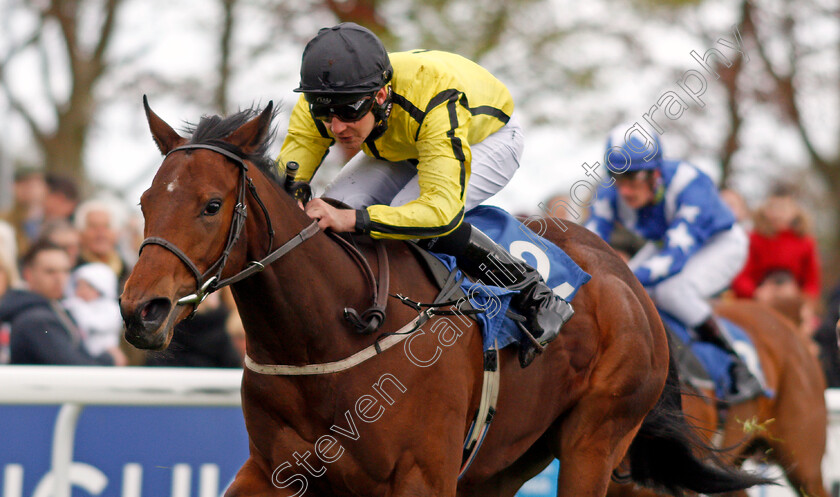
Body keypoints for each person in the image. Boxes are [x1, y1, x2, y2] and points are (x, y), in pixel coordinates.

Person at [278, 23, 573, 367]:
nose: (337, 126)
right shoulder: (326, 97)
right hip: (403, 143)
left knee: (408, 216)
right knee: (334, 205)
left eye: (348, 112)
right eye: (324, 113)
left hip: (487, 140)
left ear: (381, 95)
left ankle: (534, 294)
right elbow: (292, 166)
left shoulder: (432, 95)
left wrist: (354, 219)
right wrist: (292, 194)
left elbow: (438, 212)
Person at [585, 124, 761, 402]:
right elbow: (590, 242)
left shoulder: (690, 185)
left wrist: (622, 278)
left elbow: (673, 261)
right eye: (618, 179)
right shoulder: (611, 193)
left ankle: (739, 366)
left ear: (656, 173)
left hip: (720, 243)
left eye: (634, 180)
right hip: (666, 243)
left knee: (670, 291)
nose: (626, 191)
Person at [0, 240, 126, 365]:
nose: (60, 278)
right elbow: (73, 368)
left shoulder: (54, 307)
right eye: (50, 271)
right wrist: (110, 358)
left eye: (65, 271)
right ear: (28, 274)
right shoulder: (36, 318)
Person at [732, 187, 821, 333]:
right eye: (773, 208)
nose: (778, 214)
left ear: (795, 212)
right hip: (760, 302)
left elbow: (812, 283)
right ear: (765, 210)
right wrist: (756, 293)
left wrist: (802, 301)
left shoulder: (806, 243)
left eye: (784, 208)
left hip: (793, 303)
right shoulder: (754, 239)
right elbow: (740, 277)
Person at [63, 262, 123, 357]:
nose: (81, 291)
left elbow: (100, 324)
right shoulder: (71, 305)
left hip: (107, 354)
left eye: (87, 287)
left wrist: (79, 310)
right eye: (78, 286)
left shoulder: (111, 308)